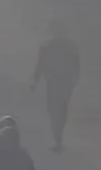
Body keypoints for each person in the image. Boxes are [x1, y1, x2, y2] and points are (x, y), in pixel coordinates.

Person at [31, 19, 81, 151]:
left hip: (63, 82)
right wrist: (35, 80)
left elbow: (76, 64)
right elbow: (40, 65)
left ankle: (58, 137)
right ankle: (57, 136)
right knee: (53, 109)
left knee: (60, 110)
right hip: (54, 82)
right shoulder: (47, 47)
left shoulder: (69, 47)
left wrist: (75, 78)